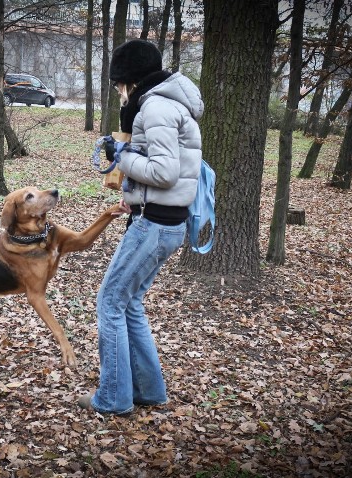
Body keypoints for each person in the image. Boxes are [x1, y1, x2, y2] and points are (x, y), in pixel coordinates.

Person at [78, 39, 204, 415]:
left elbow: (164, 173)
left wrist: (123, 156)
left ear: (129, 80)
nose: (118, 91)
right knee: (129, 303)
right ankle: (149, 390)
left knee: (110, 303)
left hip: (154, 225)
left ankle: (113, 398)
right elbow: (169, 170)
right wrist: (133, 197)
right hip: (160, 220)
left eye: (118, 83)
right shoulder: (166, 104)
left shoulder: (156, 107)